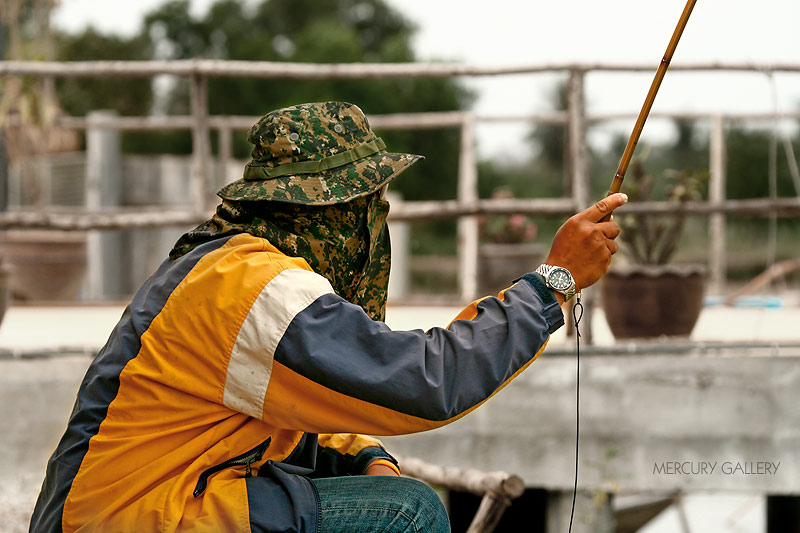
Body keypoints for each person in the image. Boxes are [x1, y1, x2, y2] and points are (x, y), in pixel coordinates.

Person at [30, 101, 626, 532]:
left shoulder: (229, 265)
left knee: (377, 490)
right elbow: (424, 380)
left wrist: (369, 458)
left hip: (145, 507)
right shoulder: (250, 288)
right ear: (327, 212)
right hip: (129, 520)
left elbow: (307, 414)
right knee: (407, 513)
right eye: (367, 208)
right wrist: (553, 284)